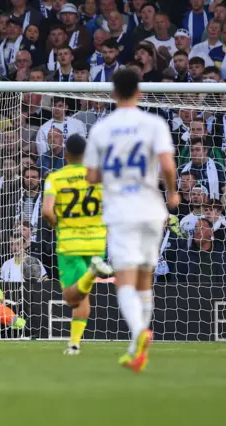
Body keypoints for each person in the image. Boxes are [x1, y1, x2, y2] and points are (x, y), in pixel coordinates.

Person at [84, 69, 179, 373]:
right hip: (152, 209)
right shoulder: (154, 124)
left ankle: (139, 334)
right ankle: (135, 351)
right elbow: (166, 164)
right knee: (144, 278)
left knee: (124, 277)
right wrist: (173, 193)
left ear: (113, 93)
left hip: (121, 211)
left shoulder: (102, 128)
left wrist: (110, 175)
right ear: (139, 92)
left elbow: (91, 176)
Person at [41, 134, 113, 355]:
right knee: (83, 296)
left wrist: (56, 224)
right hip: (96, 244)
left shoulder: (56, 178)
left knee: (71, 298)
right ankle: (74, 344)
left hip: (70, 242)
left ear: (66, 154)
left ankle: (92, 272)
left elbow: (46, 210)